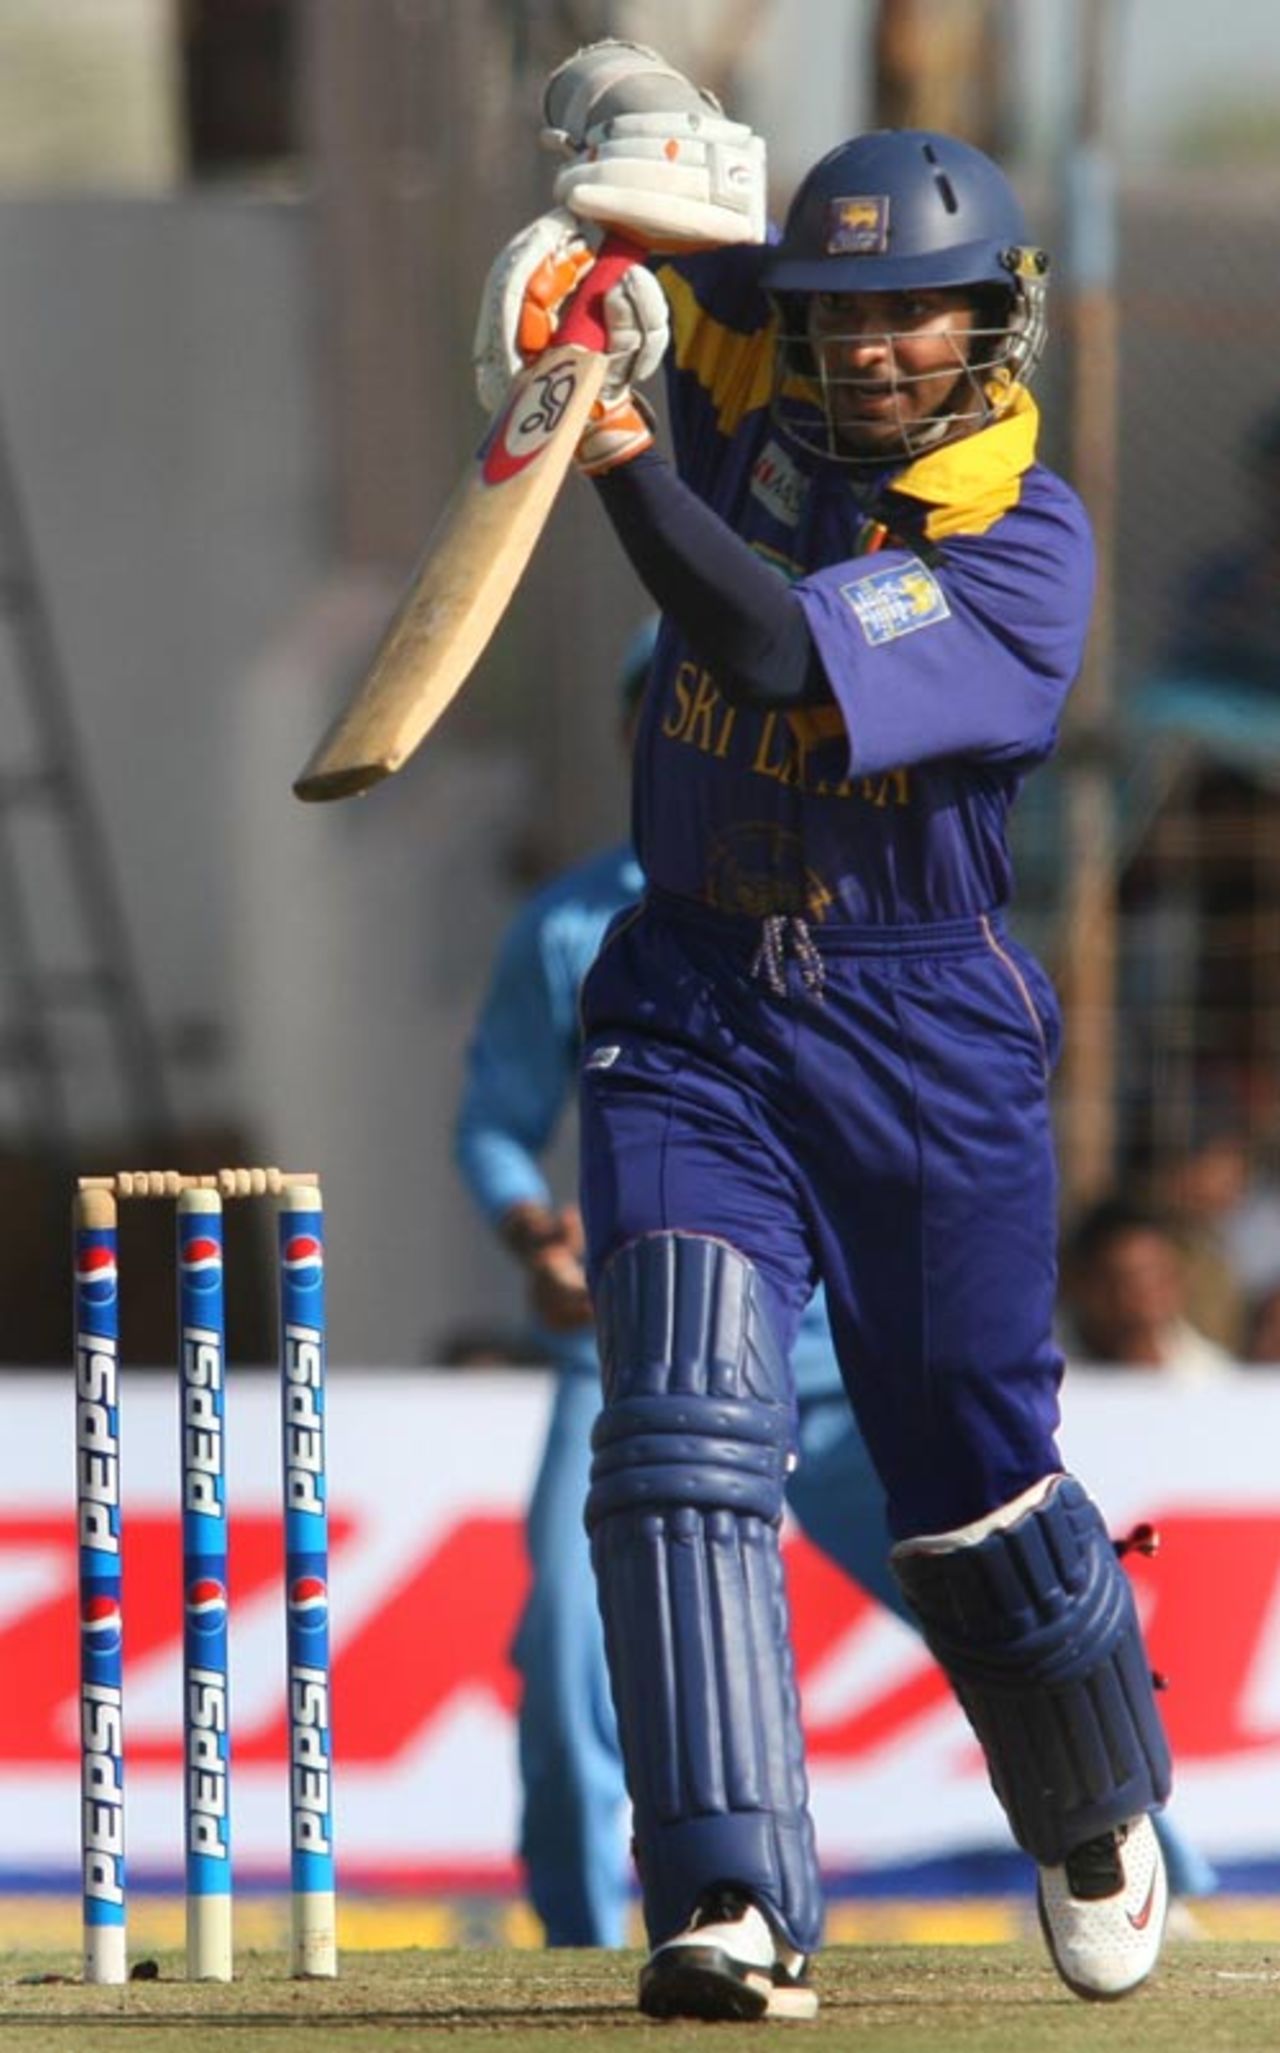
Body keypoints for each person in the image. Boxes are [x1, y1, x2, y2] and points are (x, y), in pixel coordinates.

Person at [472, 42, 1173, 2017]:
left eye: (908, 314)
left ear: (988, 322)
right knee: (679, 1431)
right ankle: (731, 1904)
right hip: (693, 998)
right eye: (838, 309)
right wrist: (594, 177)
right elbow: (640, 240)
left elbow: (776, 654)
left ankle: (1092, 1789)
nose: (865, 350)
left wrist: (613, 456)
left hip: (918, 1026)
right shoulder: (746, 366)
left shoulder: (1020, 544)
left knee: (966, 1469)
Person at [454, 619, 916, 1949]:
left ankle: (1158, 1875)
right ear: (629, 736)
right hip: (626, 1350)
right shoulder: (569, 927)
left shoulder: (839, 894)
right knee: (561, 1660)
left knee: (991, 1604)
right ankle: (588, 1953)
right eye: (655, 710)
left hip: (831, 1350)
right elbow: (492, 1120)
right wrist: (534, 1229)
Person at [1059, 1196, 1237, 1380]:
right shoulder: (1043, 1369)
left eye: (1156, 1280)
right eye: (1125, 1282)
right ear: (1081, 1284)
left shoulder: (1214, 1377)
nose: (1142, 1302)